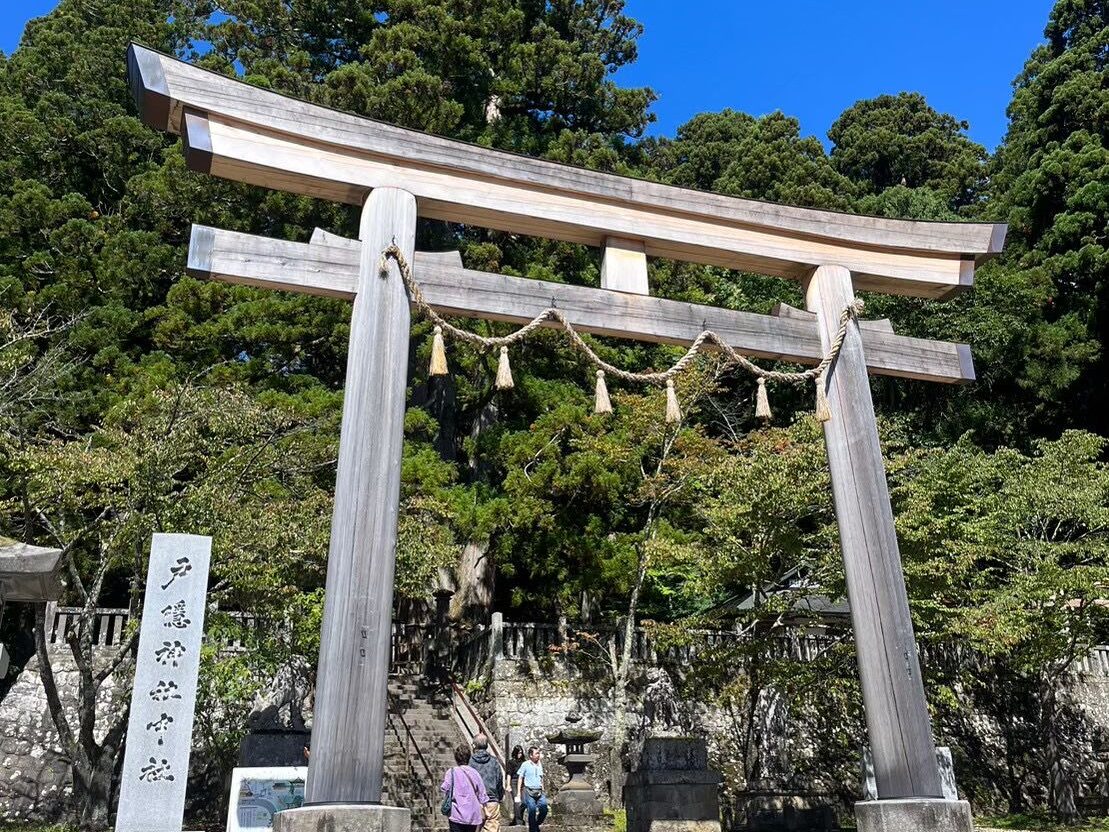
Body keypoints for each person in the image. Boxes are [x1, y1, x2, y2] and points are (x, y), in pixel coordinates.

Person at [442, 742, 489, 832]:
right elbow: (482, 793)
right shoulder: (475, 773)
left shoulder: (451, 772)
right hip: (472, 815)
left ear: (456, 758)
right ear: (469, 757)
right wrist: (486, 809)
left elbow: (445, 788)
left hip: (456, 814)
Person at [468, 734, 505, 832]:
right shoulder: (494, 761)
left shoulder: (470, 762)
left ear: (474, 745)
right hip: (492, 799)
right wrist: (500, 796)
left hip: (475, 801)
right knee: (492, 828)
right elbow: (499, 780)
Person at [516, 746, 548, 832]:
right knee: (532, 810)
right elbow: (520, 778)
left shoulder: (540, 764)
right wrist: (518, 793)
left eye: (538, 753)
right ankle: (533, 830)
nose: (538, 755)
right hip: (529, 790)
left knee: (544, 808)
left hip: (539, 791)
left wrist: (543, 788)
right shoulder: (525, 764)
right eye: (536, 753)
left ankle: (536, 824)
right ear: (531, 755)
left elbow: (541, 777)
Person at [506, 745, 526, 824]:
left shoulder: (524, 762)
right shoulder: (511, 762)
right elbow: (509, 774)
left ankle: (516, 818)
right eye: (518, 753)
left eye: (521, 753)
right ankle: (519, 821)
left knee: (524, 802)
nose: (519, 755)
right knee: (517, 801)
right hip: (514, 782)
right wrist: (508, 785)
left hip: (523, 783)